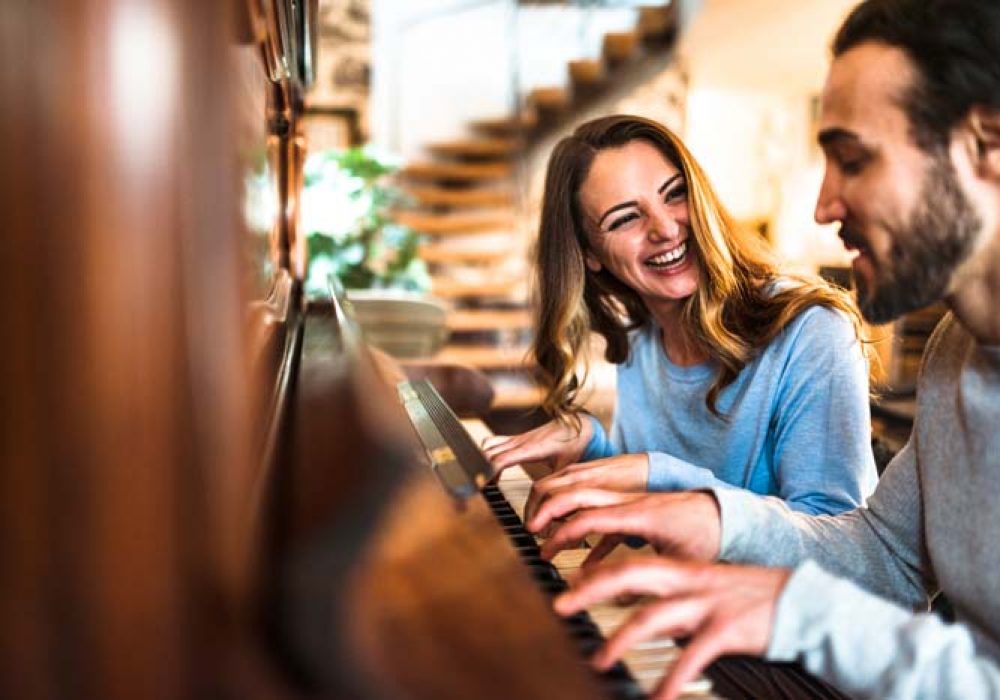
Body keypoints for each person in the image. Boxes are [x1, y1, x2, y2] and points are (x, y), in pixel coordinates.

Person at [534, 1, 1000, 698]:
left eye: (852, 159)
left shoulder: (818, 332)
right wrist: (717, 518)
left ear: (985, 145)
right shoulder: (954, 350)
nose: (822, 206)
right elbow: (887, 556)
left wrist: (796, 609)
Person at [482, 114, 878, 521]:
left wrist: (656, 474)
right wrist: (593, 447)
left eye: (674, 194)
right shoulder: (642, 341)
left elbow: (834, 536)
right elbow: (653, 522)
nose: (665, 229)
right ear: (589, 255)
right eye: (625, 218)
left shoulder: (812, 331)